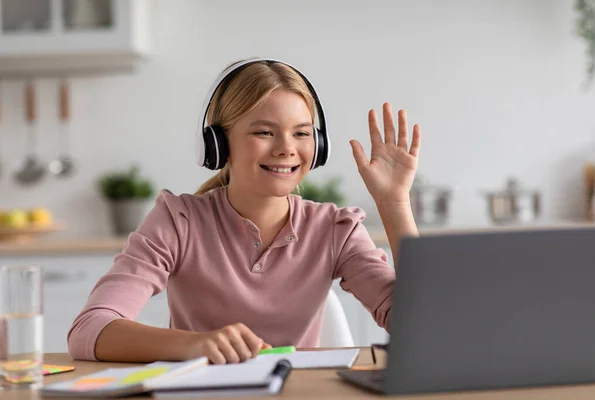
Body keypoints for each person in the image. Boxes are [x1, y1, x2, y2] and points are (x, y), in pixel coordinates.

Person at [67, 58, 421, 364]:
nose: (286, 148)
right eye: (265, 131)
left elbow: (422, 326)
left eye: (301, 133)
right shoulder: (179, 221)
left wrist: (394, 204)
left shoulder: (334, 229)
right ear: (218, 144)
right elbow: (90, 329)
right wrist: (194, 345)